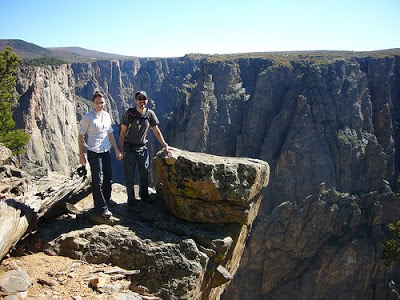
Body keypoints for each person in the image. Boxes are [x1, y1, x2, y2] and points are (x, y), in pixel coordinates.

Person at [119, 90, 169, 209]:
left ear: (147, 100)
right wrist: (121, 150)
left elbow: (156, 130)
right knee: (129, 176)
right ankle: (131, 201)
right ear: (135, 101)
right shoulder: (129, 114)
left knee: (144, 174)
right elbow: (122, 132)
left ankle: (144, 196)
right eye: (139, 99)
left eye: (143, 99)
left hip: (142, 149)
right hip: (129, 149)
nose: (142, 101)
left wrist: (164, 144)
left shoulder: (150, 114)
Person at [78, 91, 123, 218]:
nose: (100, 105)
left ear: (105, 103)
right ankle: (101, 208)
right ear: (93, 103)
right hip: (94, 151)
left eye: (102, 102)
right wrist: (81, 154)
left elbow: (110, 134)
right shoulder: (88, 117)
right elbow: (81, 135)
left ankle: (107, 199)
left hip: (106, 150)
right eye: (97, 102)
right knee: (97, 180)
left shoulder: (107, 116)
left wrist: (116, 150)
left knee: (108, 177)